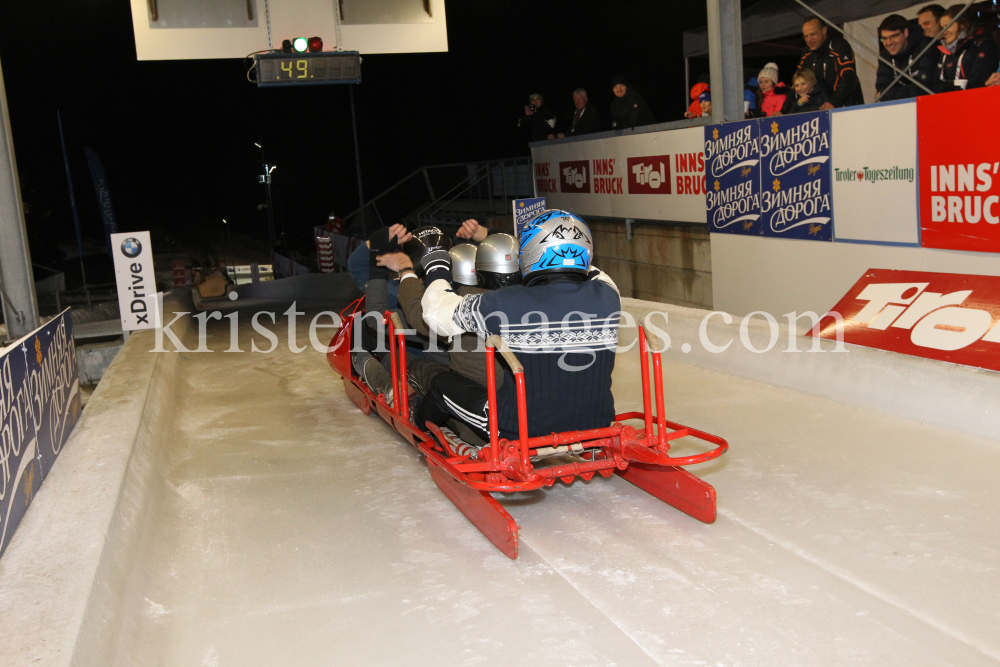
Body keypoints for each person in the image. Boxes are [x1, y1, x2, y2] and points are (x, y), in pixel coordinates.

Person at [417, 210, 621, 441]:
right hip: (597, 421)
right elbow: (591, 269)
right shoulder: (608, 295)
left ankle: (417, 430)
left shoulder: (504, 302)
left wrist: (437, 269)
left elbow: (435, 314)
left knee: (442, 384)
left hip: (518, 428)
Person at [798, 17, 864, 109]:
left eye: (813, 34)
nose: (809, 39)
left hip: (847, 107)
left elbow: (848, 78)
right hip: (821, 108)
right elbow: (797, 81)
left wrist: (834, 102)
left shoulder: (840, 46)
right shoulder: (807, 52)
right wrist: (783, 111)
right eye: (806, 36)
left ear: (824, 31)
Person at [936, 5, 1000, 92]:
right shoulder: (945, 51)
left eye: (948, 26)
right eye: (942, 28)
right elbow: (936, 84)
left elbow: (980, 81)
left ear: (963, 24)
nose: (944, 31)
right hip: (949, 101)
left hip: (977, 100)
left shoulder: (983, 45)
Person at [875, 14, 938, 101]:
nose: (888, 43)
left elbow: (925, 88)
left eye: (893, 36)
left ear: (905, 33)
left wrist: (891, 93)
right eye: (884, 38)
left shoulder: (925, 47)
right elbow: (881, 91)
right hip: (901, 109)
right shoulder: (885, 55)